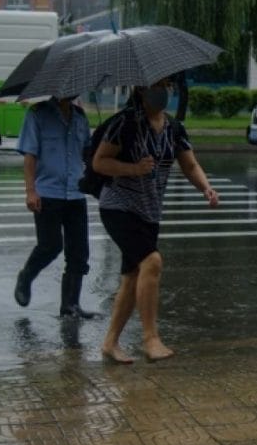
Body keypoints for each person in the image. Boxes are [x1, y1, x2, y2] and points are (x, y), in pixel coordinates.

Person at [94, 79, 219, 363]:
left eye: (168, 85)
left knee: (132, 276)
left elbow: (189, 164)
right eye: (158, 85)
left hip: (149, 211)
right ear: (141, 89)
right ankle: (150, 339)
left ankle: (110, 343)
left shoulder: (174, 128)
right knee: (152, 261)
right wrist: (133, 168)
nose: (165, 91)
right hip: (118, 206)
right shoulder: (123, 123)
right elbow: (100, 162)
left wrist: (206, 188)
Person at [13, 95, 96, 319]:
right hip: (47, 192)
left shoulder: (80, 117)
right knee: (50, 245)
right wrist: (30, 191)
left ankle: (70, 306)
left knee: (79, 253)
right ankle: (26, 277)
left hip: (76, 192)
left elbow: (87, 152)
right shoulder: (38, 114)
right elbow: (30, 155)